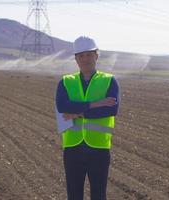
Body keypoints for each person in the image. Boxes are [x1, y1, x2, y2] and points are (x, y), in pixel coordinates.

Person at [55, 36, 119, 200]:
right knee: (74, 195)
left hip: (99, 147)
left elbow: (111, 110)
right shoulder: (65, 82)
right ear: (76, 59)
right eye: (81, 55)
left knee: (99, 195)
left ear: (96, 56)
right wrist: (95, 104)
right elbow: (62, 107)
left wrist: (77, 112)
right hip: (72, 148)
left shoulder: (109, 81)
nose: (85, 59)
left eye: (89, 54)